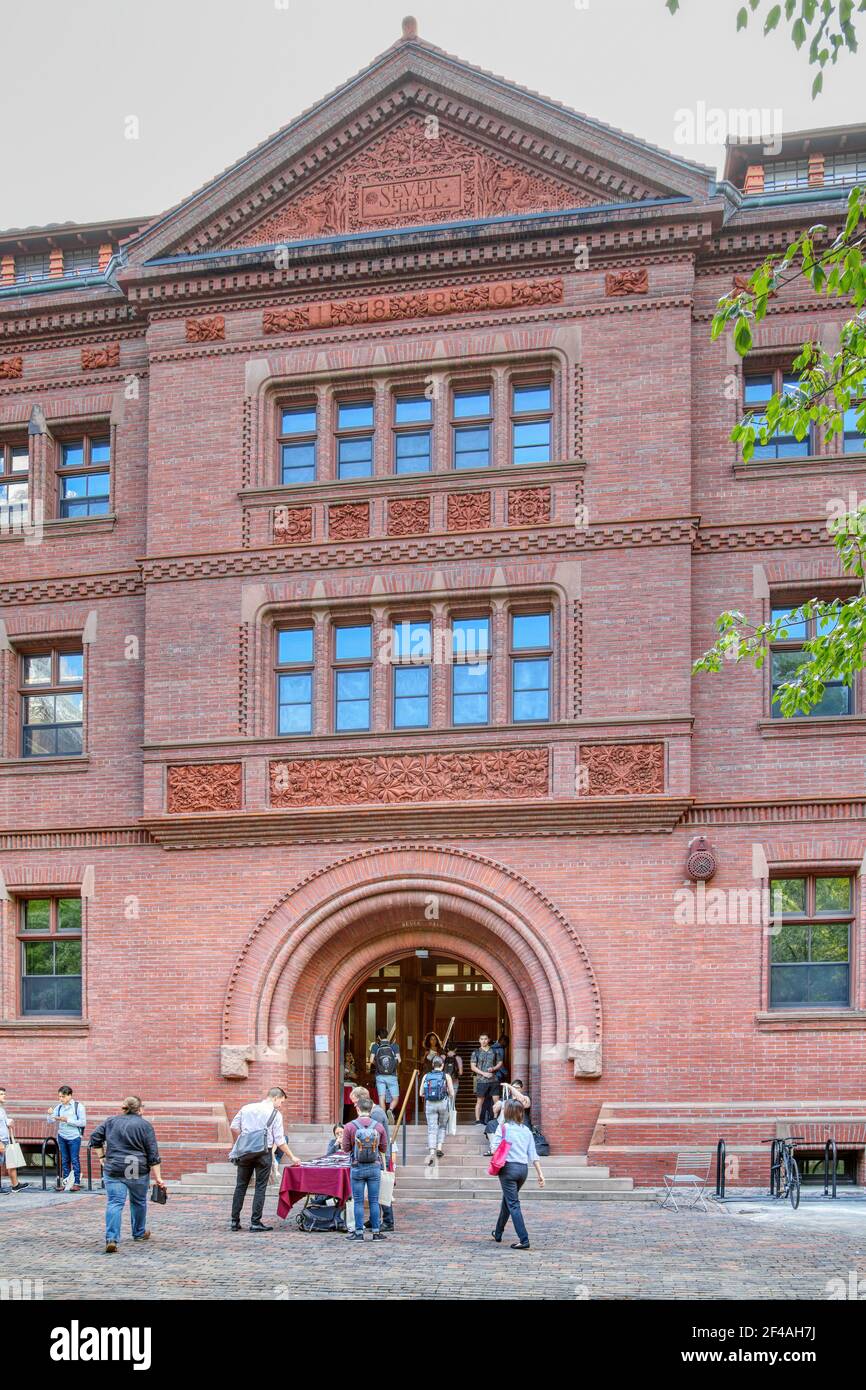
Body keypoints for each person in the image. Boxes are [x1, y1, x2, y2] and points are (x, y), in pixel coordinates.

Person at [89, 1096, 166, 1252]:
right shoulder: (145, 1125)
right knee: (138, 1202)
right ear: (140, 1109)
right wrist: (159, 1178)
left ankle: (112, 1238)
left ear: (123, 1108)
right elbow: (153, 1154)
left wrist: (101, 1157)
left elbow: (94, 1138)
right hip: (136, 1168)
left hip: (114, 1167)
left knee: (115, 1203)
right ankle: (138, 1232)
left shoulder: (111, 1121)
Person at [229, 1086, 301, 1233]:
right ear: (275, 1098)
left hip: (245, 1151)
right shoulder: (275, 1114)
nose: (281, 1105)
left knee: (240, 1186)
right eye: (281, 1101)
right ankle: (255, 1222)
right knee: (260, 1187)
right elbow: (280, 1141)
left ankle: (234, 1221)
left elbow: (234, 1127)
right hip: (264, 1152)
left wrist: (241, 1141)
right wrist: (292, 1156)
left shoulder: (247, 1108)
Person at [490, 1098, 545, 1251]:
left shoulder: (503, 1128)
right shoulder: (526, 1130)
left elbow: (494, 1149)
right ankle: (498, 1232)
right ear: (521, 1113)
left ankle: (524, 1239)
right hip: (523, 1170)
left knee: (513, 1204)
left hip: (508, 1169)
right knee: (508, 1201)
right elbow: (533, 1154)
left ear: (506, 1112)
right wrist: (541, 1174)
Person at [341, 1097, 388, 1242]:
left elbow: (345, 1148)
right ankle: (376, 1232)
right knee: (374, 1201)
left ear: (358, 1109)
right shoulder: (378, 1126)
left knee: (358, 1201)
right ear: (371, 1109)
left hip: (357, 1166)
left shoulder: (349, 1126)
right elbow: (384, 1148)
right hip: (374, 1166)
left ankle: (359, 1233)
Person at [348, 1086, 394, 1231]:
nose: (354, 1106)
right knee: (376, 1192)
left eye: (355, 1103)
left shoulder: (376, 1114)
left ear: (362, 1100)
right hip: (375, 1155)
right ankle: (375, 1219)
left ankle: (388, 1220)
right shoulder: (375, 1112)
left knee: (382, 1190)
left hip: (379, 1156)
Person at [47, 1085, 86, 1191]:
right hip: (62, 1136)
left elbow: (82, 1122)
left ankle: (76, 1183)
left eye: (63, 1097)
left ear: (70, 1096)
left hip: (74, 1137)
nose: (61, 1099)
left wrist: (67, 1120)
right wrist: (49, 1114)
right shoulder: (59, 1107)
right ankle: (66, 1183)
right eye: (59, 1096)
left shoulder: (78, 1107)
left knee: (74, 1159)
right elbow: (50, 1121)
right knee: (64, 1160)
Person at [420, 1056, 454, 1164]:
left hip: (430, 1104)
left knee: (431, 1128)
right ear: (442, 1065)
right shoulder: (446, 1076)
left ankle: (431, 1152)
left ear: (432, 1065)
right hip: (443, 1103)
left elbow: (421, 1093)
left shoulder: (426, 1076)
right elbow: (452, 1093)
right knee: (442, 1125)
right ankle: (439, 1147)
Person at [0, 1087, 30, 1193]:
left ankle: (15, 1185)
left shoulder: (2, 1110)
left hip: (6, 1140)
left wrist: (9, 1123)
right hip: (0, 1142)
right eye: (1, 1094)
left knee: (11, 1163)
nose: (4, 1096)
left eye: (4, 1094)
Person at [369, 1029, 401, 1123]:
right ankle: (390, 1110)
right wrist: (391, 1067)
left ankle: (384, 1119)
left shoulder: (376, 1046)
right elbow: (399, 1060)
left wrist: (378, 1065)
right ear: (387, 1035)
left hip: (380, 1076)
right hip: (392, 1075)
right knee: (395, 1098)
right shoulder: (394, 1046)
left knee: (381, 1097)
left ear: (378, 1037)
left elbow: (371, 1060)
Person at [470, 1034, 498, 1124]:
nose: (484, 1041)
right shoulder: (476, 1052)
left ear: (488, 1040)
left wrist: (494, 1068)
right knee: (479, 1101)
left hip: (494, 1080)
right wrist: (484, 1073)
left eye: (485, 1039)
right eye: (481, 1039)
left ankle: (495, 1119)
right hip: (481, 1080)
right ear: (479, 1040)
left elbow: (500, 1062)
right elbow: (472, 1067)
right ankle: (478, 1120)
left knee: (496, 1101)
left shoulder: (494, 1051)